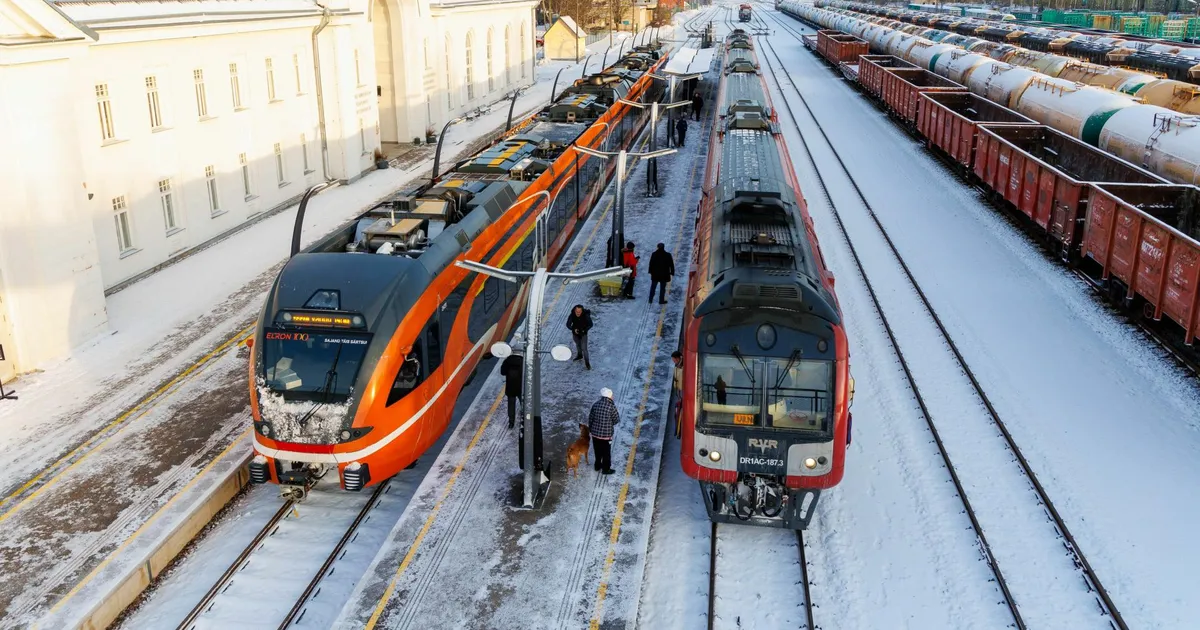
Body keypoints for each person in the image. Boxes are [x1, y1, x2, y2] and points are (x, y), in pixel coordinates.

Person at [588, 388, 620, 475]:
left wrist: (591, 429)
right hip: (606, 436)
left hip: (595, 434)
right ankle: (606, 469)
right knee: (606, 453)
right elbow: (616, 419)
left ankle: (597, 466)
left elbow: (591, 418)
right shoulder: (611, 407)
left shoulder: (595, 405)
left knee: (597, 451)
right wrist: (609, 423)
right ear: (609, 397)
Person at [500, 352, 524, 429]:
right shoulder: (523, 361)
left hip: (510, 387)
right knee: (524, 403)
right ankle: (524, 420)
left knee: (511, 406)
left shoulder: (507, 361)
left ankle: (511, 422)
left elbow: (502, 372)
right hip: (521, 387)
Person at [566, 304, 593, 370]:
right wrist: (573, 329)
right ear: (575, 310)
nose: (578, 313)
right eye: (576, 311)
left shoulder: (586, 316)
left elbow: (591, 324)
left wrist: (584, 330)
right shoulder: (572, 315)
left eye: (579, 312)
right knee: (578, 344)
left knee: (584, 349)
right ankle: (580, 355)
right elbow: (568, 324)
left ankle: (587, 363)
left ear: (582, 311)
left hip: (583, 334)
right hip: (575, 334)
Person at [671, 351, 684, 438]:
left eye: (674, 360)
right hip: (679, 391)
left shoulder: (683, 367)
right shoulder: (677, 366)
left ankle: (679, 430)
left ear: (678, 358)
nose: (673, 361)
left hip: (683, 390)